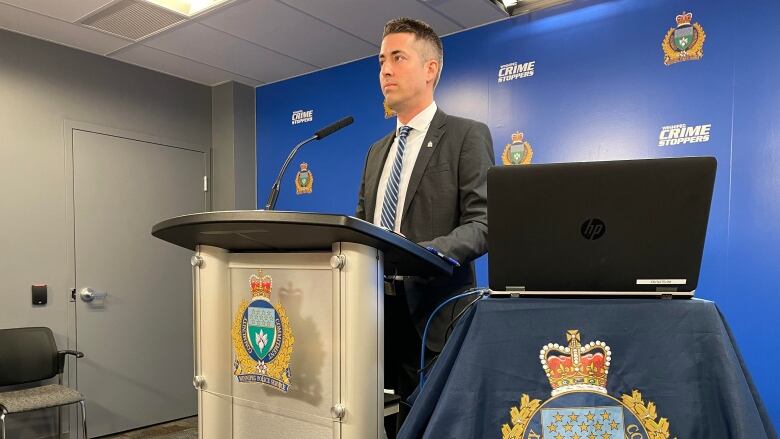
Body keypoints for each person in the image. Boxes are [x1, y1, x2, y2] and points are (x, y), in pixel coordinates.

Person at [355, 17, 495, 434]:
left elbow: (485, 221)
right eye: (382, 60)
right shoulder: (375, 151)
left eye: (398, 57)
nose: (385, 70)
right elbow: (363, 227)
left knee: (435, 426)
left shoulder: (466, 136)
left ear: (431, 69)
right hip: (374, 314)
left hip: (435, 314)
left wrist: (430, 251)